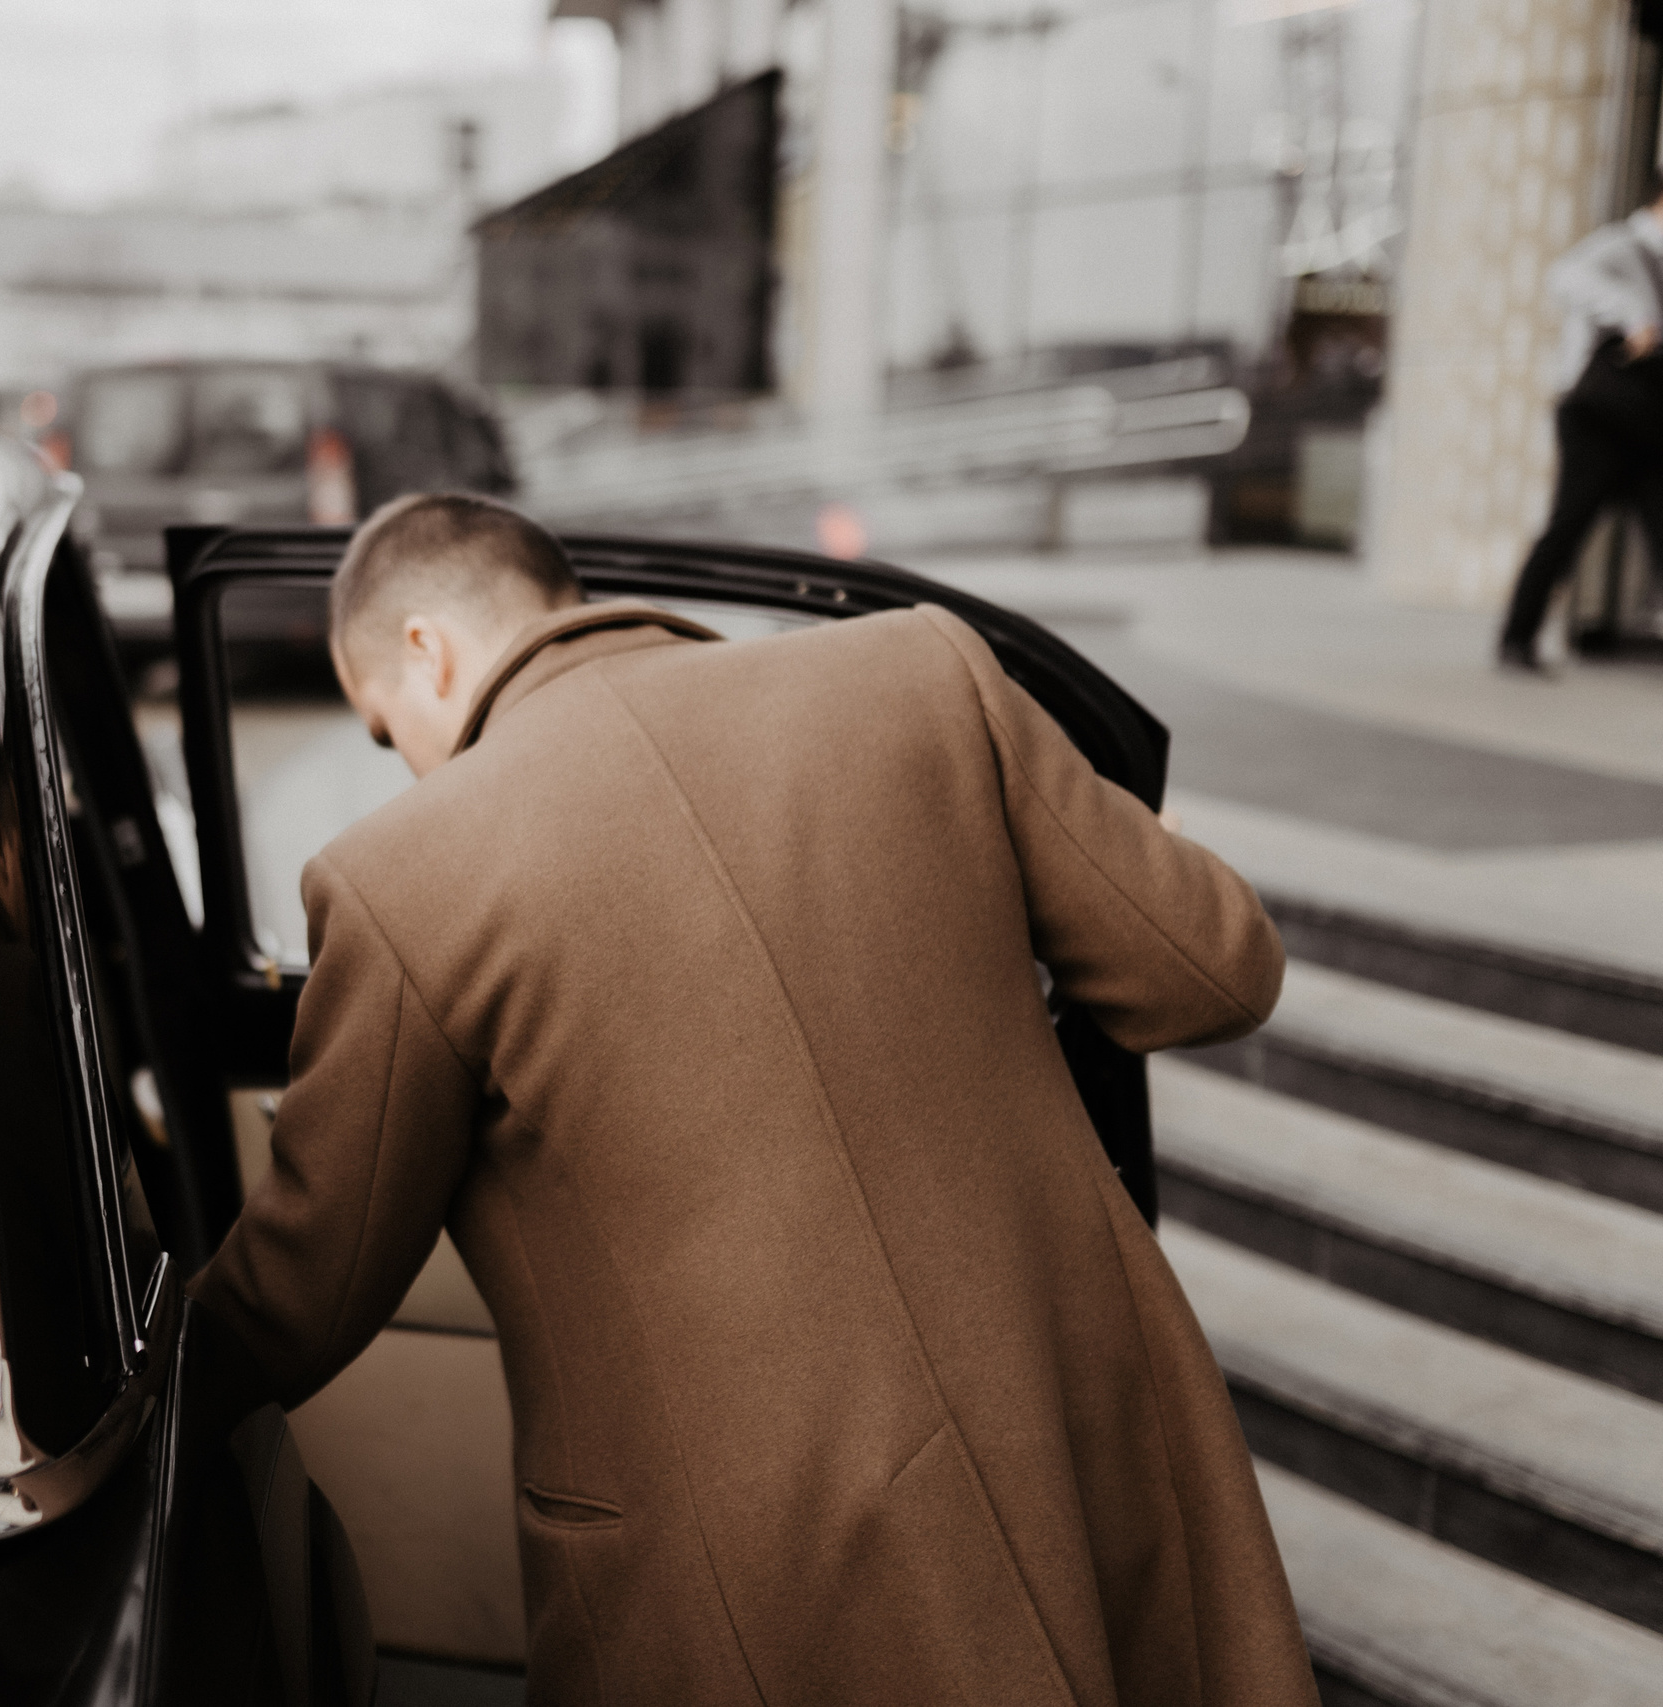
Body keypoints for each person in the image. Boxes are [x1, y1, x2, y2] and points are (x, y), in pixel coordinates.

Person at [190, 493, 1311, 1705]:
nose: (400, 755)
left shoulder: (405, 876)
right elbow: (1215, 974)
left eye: (378, 729)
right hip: (1079, 1454)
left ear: (427, 648)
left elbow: (310, 1279)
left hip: (753, 1582)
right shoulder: (920, 673)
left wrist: (121, 1395)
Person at [1499, 182, 1663, 672]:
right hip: (1597, 417)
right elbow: (1564, 276)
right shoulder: (1623, 246)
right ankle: (1517, 638)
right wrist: (1635, 315)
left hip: (1649, 422)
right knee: (1568, 524)